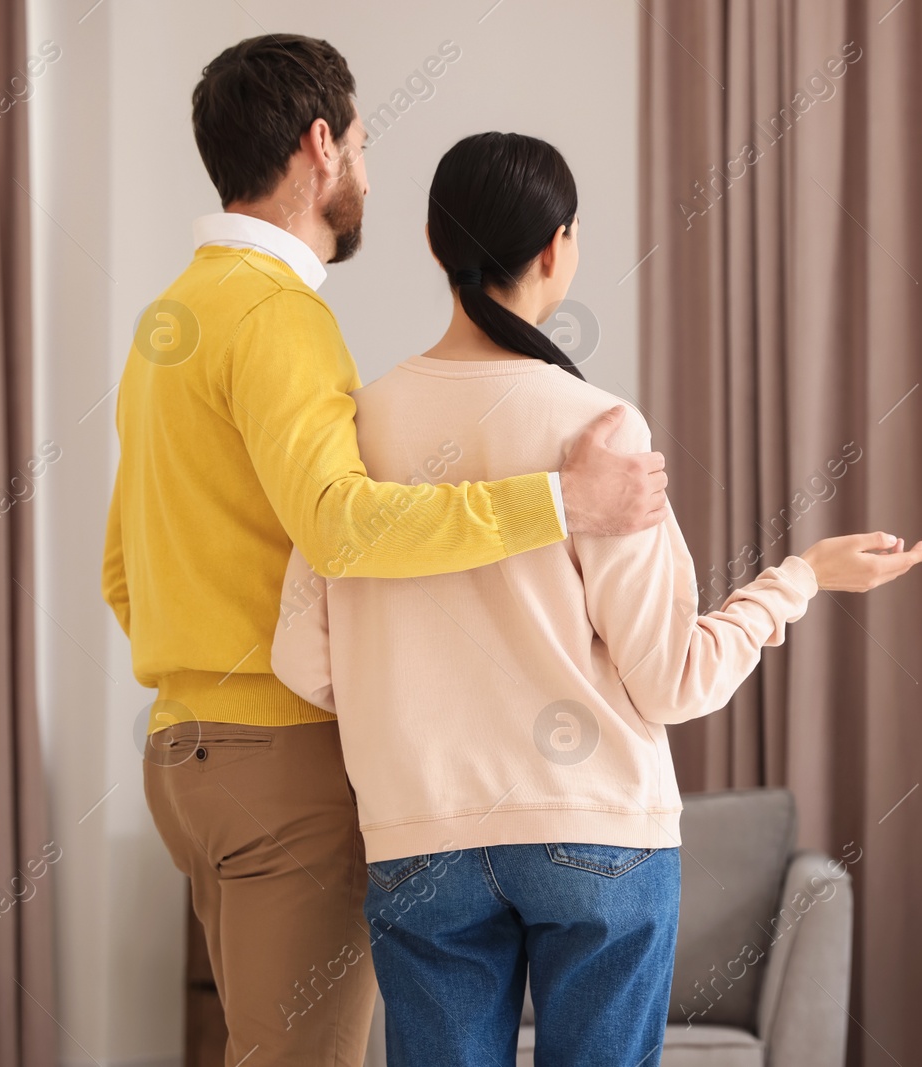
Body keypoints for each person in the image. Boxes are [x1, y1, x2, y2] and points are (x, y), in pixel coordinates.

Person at [269, 130, 922, 1067]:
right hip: (595, 831)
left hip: (418, 834)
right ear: (556, 249)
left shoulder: (358, 424)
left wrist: (410, 705)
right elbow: (671, 681)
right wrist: (802, 578)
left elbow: (300, 658)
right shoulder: (597, 426)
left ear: (432, 244)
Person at [101, 36, 669, 1067]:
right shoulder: (278, 317)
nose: (364, 165)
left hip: (181, 754)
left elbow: (119, 570)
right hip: (281, 764)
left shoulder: (166, 321)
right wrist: (560, 497)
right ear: (321, 145)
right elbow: (344, 526)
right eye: (361, 142)